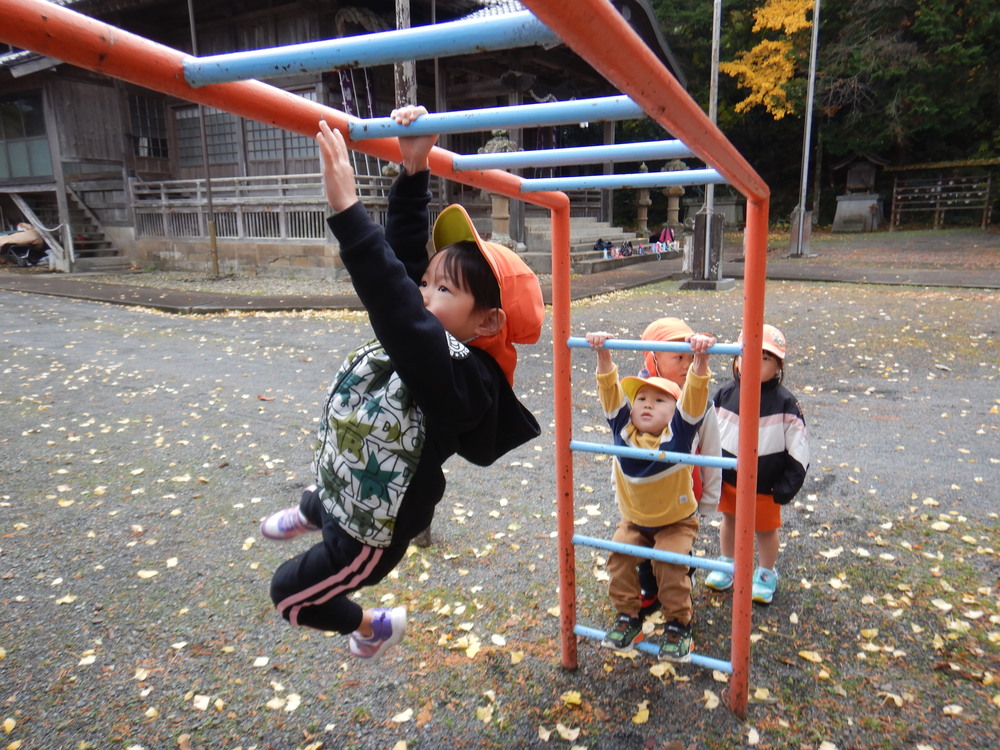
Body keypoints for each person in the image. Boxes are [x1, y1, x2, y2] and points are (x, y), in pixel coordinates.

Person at [259, 106, 544, 659]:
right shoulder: (443, 337)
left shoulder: (464, 378)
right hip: (351, 476)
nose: (421, 292)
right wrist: (415, 172)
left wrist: (347, 211)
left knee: (289, 596)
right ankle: (312, 510)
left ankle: (372, 626)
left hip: (373, 528)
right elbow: (406, 262)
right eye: (426, 281)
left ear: (487, 322)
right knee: (328, 486)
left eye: (441, 290)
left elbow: (397, 308)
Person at [585, 328, 716, 662]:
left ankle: (679, 624)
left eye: (659, 401)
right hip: (636, 521)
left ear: (675, 411)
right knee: (618, 555)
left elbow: (696, 396)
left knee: (669, 564)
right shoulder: (623, 430)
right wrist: (603, 353)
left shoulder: (680, 435)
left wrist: (700, 360)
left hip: (675, 522)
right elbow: (609, 390)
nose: (646, 405)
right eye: (641, 399)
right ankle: (629, 617)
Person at [706, 324, 809, 604]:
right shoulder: (725, 394)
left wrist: (787, 486)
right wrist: (707, 469)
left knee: (765, 529)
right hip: (729, 478)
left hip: (766, 484)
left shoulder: (785, 403)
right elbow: (709, 432)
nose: (753, 362)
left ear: (778, 367)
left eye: (765, 358)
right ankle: (728, 563)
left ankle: (765, 571)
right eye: (747, 355)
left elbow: (799, 447)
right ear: (736, 360)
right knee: (728, 519)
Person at [633, 318, 722, 617]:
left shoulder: (698, 401)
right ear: (652, 358)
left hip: (684, 488)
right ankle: (649, 588)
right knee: (643, 539)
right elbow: (623, 444)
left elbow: (710, 449)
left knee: (677, 543)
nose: (686, 365)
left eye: (689, 357)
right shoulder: (638, 395)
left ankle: (679, 585)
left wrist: (709, 498)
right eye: (678, 358)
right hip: (644, 487)